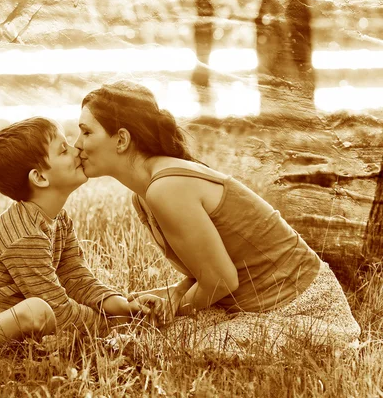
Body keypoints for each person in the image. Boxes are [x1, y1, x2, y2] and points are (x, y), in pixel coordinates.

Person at [74, 80, 361, 355]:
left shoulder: (166, 187)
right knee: (133, 325)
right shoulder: (144, 195)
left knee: (162, 346)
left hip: (299, 305)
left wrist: (171, 309)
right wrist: (165, 297)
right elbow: (205, 273)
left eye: (86, 132)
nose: (77, 143)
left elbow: (221, 280)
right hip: (245, 303)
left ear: (121, 139)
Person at [0, 117, 163, 357]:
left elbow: (76, 278)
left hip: (3, 321)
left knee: (41, 313)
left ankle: (24, 348)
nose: (77, 150)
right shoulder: (24, 235)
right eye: (63, 150)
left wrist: (124, 307)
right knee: (38, 311)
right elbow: (58, 309)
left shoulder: (60, 221)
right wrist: (115, 324)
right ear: (40, 178)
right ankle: (0, 351)